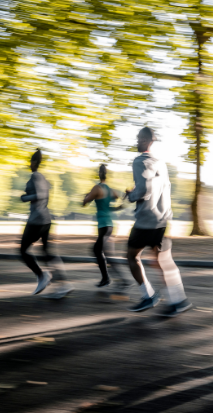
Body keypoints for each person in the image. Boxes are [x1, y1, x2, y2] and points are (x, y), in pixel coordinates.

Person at [124, 127, 192, 317]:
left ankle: (148, 296)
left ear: (146, 140)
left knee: (132, 257)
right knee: (163, 260)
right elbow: (163, 189)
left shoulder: (139, 162)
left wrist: (131, 196)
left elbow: (144, 190)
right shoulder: (161, 163)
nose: (136, 142)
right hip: (162, 218)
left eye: (138, 138)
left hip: (146, 220)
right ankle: (179, 300)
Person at [20, 149, 72, 299]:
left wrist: (26, 197)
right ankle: (63, 285)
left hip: (37, 219)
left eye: (31, 162)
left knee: (23, 250)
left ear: (34, 162)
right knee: (47, 253)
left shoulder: (35, 175)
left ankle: (42, 275)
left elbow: (41, 195)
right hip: (46, 219)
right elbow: (46, 193)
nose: (29, 165)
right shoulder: (43, 177)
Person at [82, 164, 128, 288]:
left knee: (97, 250)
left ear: (99, 174)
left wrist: (86, 196)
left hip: (104, 225)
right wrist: (125, 198)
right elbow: (120, 201)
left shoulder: (97, 188)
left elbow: (85, 202)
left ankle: (108, 279)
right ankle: (119, 280)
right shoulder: (110, 190)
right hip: (110, 225)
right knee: (105, 253)